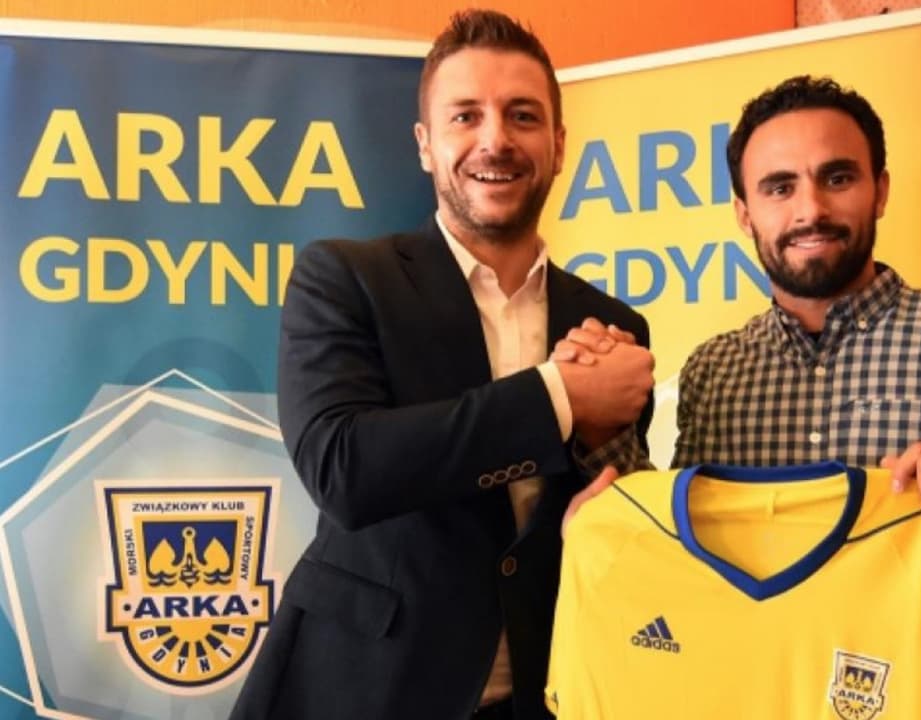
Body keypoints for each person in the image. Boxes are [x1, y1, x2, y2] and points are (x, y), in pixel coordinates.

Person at [559, 75, 921, 705]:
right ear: (744, 213)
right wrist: (601, 441)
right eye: (779, 187)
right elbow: (684, 563)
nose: (810, 209)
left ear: (880, 190)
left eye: (837, 178)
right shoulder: (714, 371)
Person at [231, 10, 654, 720]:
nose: (495, 139)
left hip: (551, 693)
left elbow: (613, 518)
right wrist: (558, 397)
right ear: (426, 145)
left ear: (558, 145)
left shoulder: (611, 329)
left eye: (522, 115)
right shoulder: (344, 278)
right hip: (368, 691)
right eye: (465, 116)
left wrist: (605, 465)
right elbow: (343, 469)